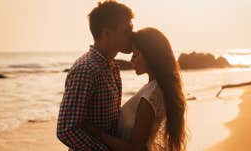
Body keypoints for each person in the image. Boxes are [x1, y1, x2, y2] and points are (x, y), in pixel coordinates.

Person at [81, 28, 187, 151]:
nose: (131, 60)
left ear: (150, 56)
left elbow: (135, 148)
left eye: (135, 55)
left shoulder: (149, 97)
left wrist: (98, 134)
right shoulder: (157, 88)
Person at [56, 1, 134, 150]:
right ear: (107, 34)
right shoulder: (87, 70)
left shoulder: (112, 66)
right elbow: (66, 129)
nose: (132, 36)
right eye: (126, 31)